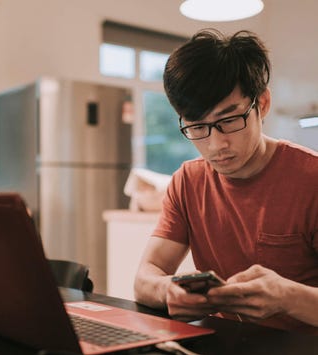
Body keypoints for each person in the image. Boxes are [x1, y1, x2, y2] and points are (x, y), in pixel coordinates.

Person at [134, 28, 318, 334]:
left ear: (263, 104)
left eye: (229, 120)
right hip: (224, 343)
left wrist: (287, 296)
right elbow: (145, 278)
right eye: (197, 127)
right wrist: (169, 290)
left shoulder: (310, 180)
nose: (216, 144)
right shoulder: (188, 182)